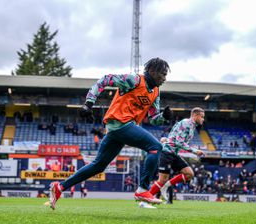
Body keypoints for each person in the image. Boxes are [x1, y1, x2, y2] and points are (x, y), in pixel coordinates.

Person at [49, 57, 172, 210]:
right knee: (155, 147)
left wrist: (163, 117)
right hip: (120, 124)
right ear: (152, 71)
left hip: (120, 128)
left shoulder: (155, 92)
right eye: (163, 74)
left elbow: (153, 119)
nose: (165, 78)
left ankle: (59, 187)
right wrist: (89, 103)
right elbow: (105, 80)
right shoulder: (134, 80)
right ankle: (142, 190)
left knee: (98, 166)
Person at [149, 107, 205, 202]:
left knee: (189, 174)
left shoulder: (190, 125)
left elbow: (174, 135)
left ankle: (165, 187)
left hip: (173, 153)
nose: (203, 119)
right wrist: (195, 151)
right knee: (162, 180)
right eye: (202, 117)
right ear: (195, 115)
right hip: (167, 152)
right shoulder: (187, 123)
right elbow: (179, 142)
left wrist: (167, 139)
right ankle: (145, 199)